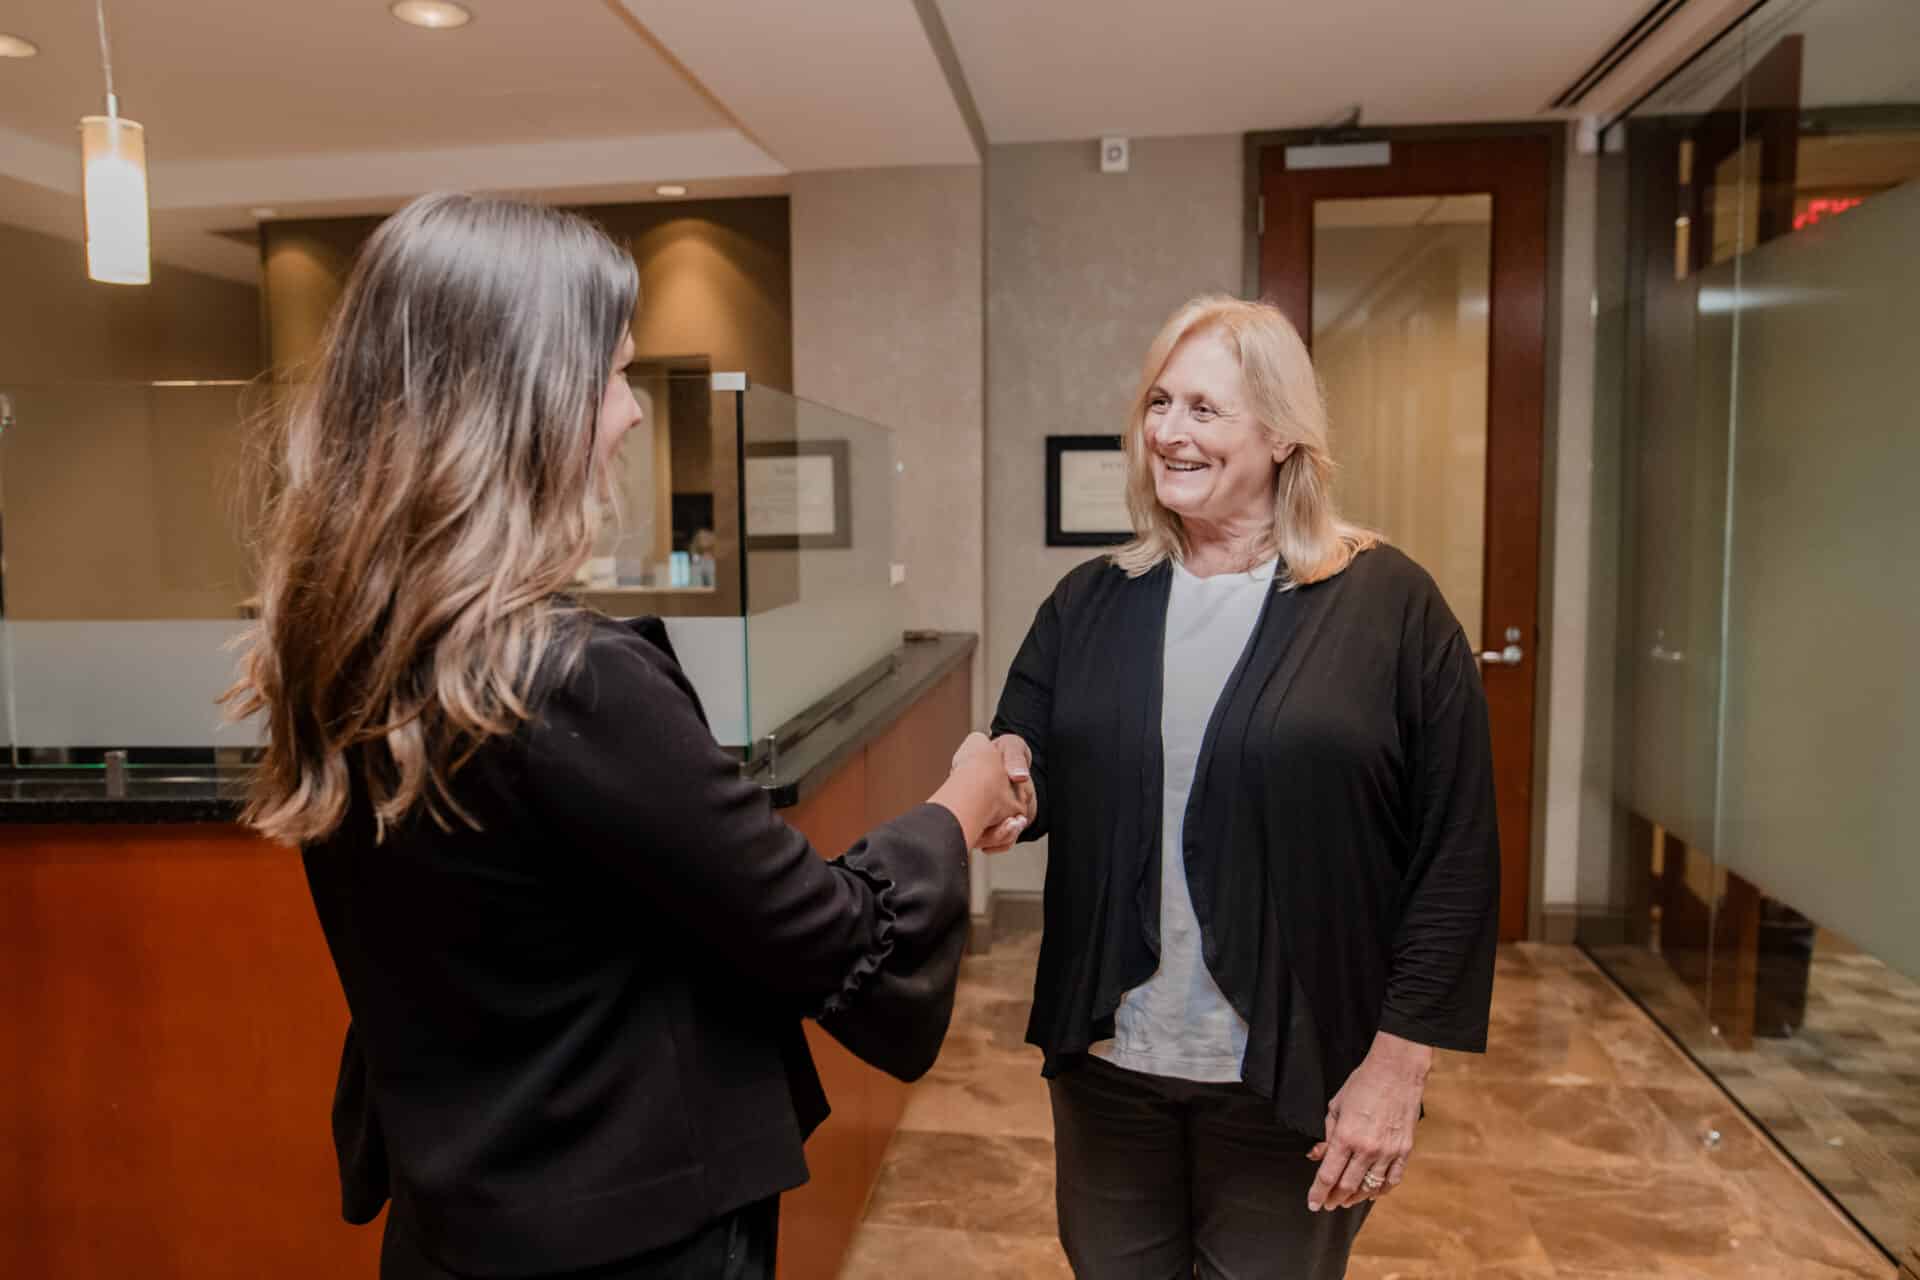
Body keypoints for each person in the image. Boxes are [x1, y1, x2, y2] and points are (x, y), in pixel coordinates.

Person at [225, 193, 1027, 1279]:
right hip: (626, 1235)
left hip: (456, 1225)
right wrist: (958, 804)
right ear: (527, 402)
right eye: (611, 376)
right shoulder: (572, 679)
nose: (632, 413)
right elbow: (829, 935)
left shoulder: (335, 653)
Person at [987, 295, 1501, 1278]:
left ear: (1281, 432)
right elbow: (1029, 749)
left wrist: (1398, 1066)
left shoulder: (1388, 605)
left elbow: (1456, 856)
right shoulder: (1092, 599)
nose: (1170, 432)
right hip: (1112, 1065)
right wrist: (1003, 784)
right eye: (1159, 402)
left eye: (1205, 409)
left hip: (1298, 1073)